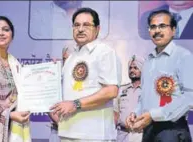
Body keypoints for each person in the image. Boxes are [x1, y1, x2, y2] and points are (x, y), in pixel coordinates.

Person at [50, 7, 121, 142]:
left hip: (93, 134)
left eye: (86, 25)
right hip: (68, 131)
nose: (81, 29)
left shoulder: (104, 52)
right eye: (77, 25)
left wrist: (75, 104)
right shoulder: (71, 57)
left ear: (97, 29)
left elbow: (111, 91)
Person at [126, 10, 192, 142]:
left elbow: (190, 97)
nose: (157, 31)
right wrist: (135, 114)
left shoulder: (184, 57)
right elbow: (144, 96)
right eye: (153, 27)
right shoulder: (149, 61)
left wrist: (154, 115)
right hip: (149, 129)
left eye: (162, 26)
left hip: (172, 131)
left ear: (173, 30)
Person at [114, 55, 144, 142]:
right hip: (122, 135)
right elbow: (115, 113)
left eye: (135, 68)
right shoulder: (121, 89)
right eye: (130, 68)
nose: (132, 70)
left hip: (140, 135)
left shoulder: (148, 90)